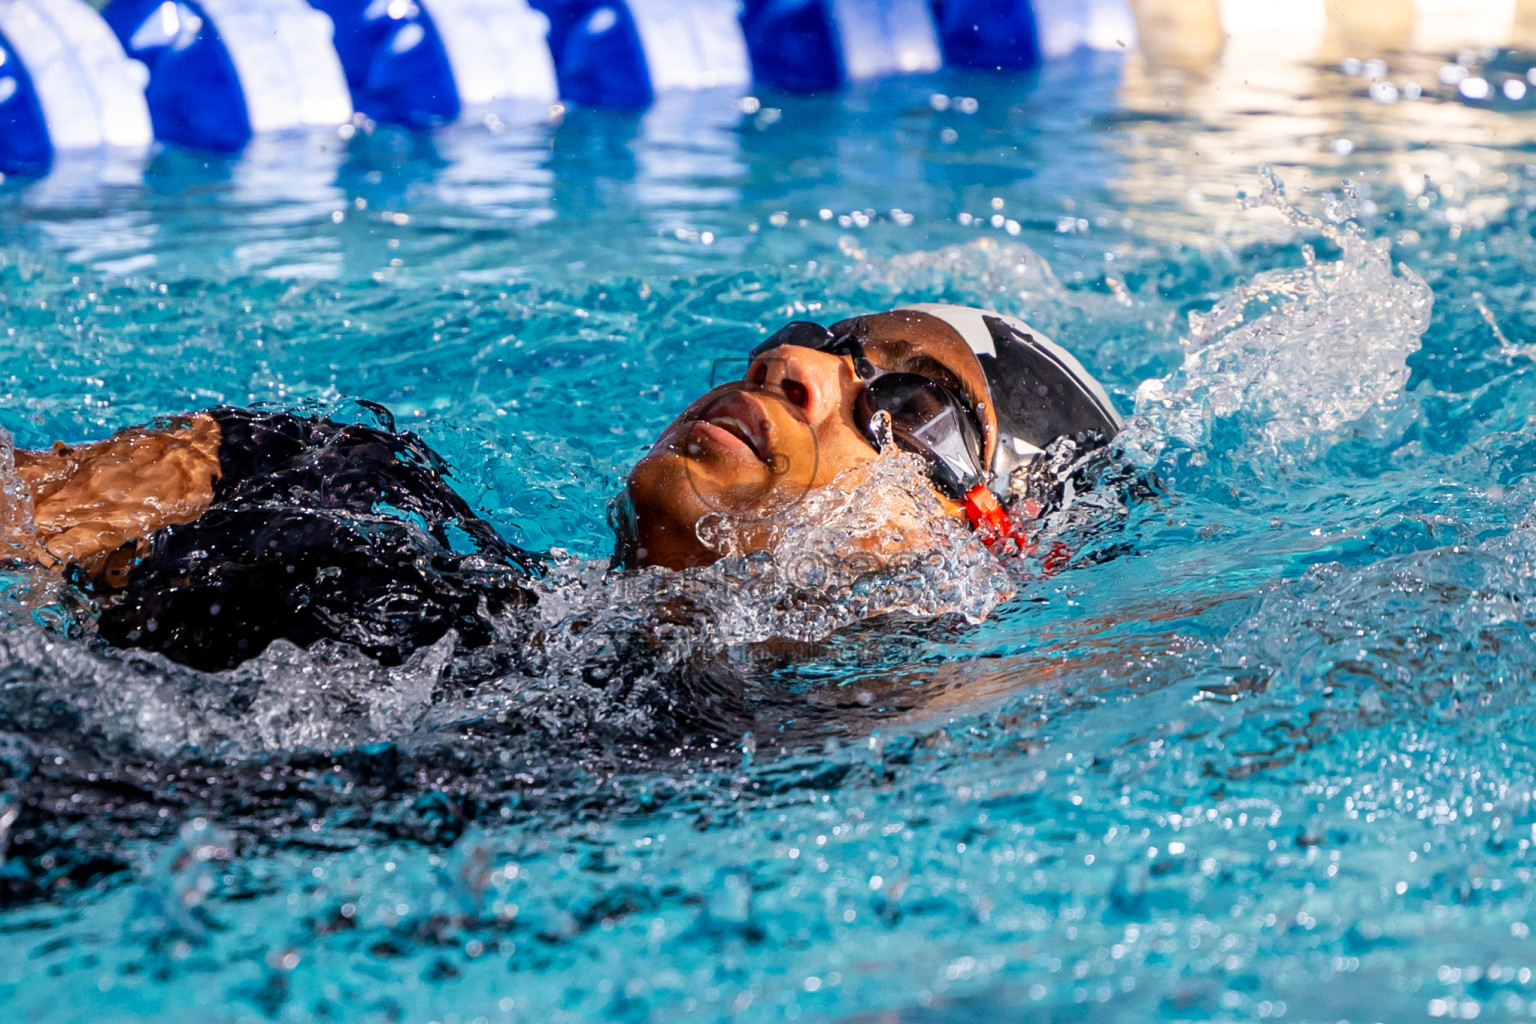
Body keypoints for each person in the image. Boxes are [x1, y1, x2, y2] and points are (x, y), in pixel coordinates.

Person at [0, 304, 1121, 671]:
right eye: (818, 336)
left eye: (911, 407)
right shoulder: (310, 471)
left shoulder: (735, 779)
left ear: (968, 540)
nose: (795, 366)